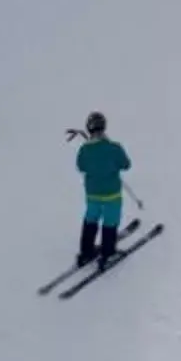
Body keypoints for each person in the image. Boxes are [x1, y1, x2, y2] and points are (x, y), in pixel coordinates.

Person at [74, 111, 131, 267]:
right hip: (111, 194)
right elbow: (126, 164)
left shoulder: (84, 149)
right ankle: (108, 253)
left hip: (92, 194)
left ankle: (86, 251)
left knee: (90, 219)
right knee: (110, 221)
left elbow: (80, 166)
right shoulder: (114, 147)